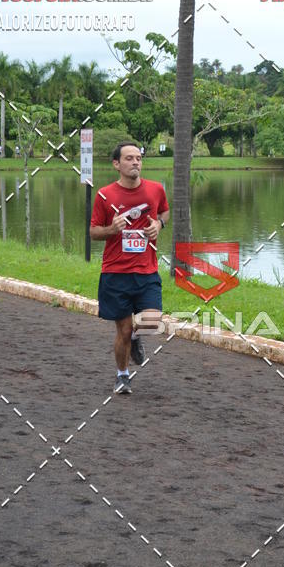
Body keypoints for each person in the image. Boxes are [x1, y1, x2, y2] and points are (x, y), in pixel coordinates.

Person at [90, 142, 169, 394]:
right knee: (122, 329)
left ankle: (136, 338)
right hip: (116, 272)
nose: (136, 162)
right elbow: (93, 232)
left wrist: (159, 225)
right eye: (129, 158)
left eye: (138, 158)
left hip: (147, 270)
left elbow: (165, 213)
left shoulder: (155, 190)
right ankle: (122, 375)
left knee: (153, 321)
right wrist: (112, 230)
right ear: (116, 164)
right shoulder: (104, 195)